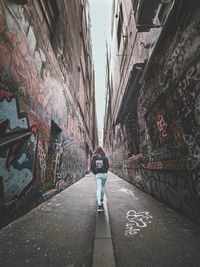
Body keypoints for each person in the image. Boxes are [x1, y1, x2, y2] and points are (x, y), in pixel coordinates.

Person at [91, 147, 109, 212]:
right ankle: (101, 199)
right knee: (103, 186)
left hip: (97, 175)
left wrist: (95, 172)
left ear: (96, 151)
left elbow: (92, 166)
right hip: (104, 174)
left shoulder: (94, 157)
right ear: (102, 151)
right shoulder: (105, 157)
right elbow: (107, 166)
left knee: (99, 188)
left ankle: (99, 205)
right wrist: (105, 171)